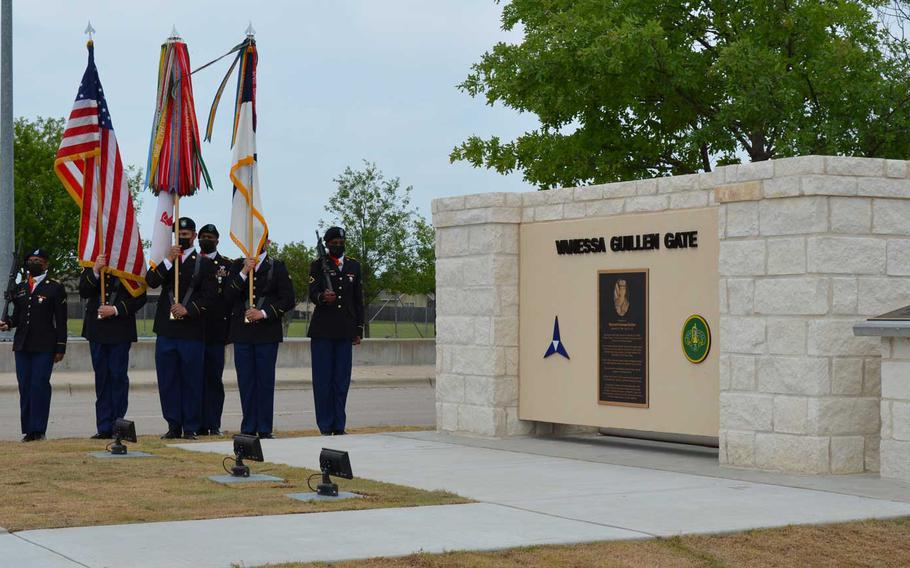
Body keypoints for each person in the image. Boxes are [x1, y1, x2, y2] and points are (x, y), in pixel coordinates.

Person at [145, 217, 216, 440]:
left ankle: (190, 426)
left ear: (194, 236)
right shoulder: (167, 260)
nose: (182, 238)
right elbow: (151, 282)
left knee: (191, 380)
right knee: (168, 381)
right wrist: (168, 261)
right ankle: (173, 424)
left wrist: (189, 310)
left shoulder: (203, 263)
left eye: (186, 235)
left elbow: (210, 297)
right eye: (179, 235)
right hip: (167, 331)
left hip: (191, 331)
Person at [225, 235, 295, 438]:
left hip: (267, 333)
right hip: (242, 333)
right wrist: (244, 271)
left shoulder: (277, 266)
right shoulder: (237, 265)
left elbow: (288, 299)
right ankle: (248, 427)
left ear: (267, 242)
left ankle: (265, 428)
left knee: (264, 382)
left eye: (260, 240)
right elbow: (228, 295)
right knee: (246, 382)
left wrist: (264, 313)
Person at [0, 249, 67, 442]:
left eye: (37, 260)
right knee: (25, 386)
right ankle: (28, 429)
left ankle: (38, 429)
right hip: (22, 344)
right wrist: (8, 323)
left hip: (44, 345)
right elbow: (18, 317)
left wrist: (60, 346)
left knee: (39, 385)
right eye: (30, 260)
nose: (33, 263)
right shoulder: (21, 287)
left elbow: (61, 320)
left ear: (45, 264)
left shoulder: (54, 287)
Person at [79, 254, 147, 439]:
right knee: (102, 379)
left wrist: (115, 310)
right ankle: (103, 427)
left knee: (117, 377)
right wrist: (94, 270)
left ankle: (118, 425)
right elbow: (84, 291)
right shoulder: (93, 262)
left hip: (120, 330)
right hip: (97, 330)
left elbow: (140, 298)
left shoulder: (130, 263)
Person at [307, 227, 364, 436]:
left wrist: (359, 328)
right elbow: (312, 293)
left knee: (341, 380)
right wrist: (323, 297)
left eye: (341, 242)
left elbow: (358, 299)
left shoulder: (353, 266)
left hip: (345, 330)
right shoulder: (317, 265)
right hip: (323, 330)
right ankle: (325, 425)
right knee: (323, 381)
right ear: (327, 243)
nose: (338, 245)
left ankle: (339, 425)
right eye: (334, 242)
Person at [197, 224, 232, 436]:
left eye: (209, 237)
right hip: (193, 330)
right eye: (202, 237)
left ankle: (213, 423)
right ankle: (196, 422)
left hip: (216, 332)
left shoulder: (226, 265)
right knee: (195, 380)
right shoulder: (192, 263)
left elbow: (229, 299)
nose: (205, 240)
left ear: (217, 240)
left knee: (213, 380)